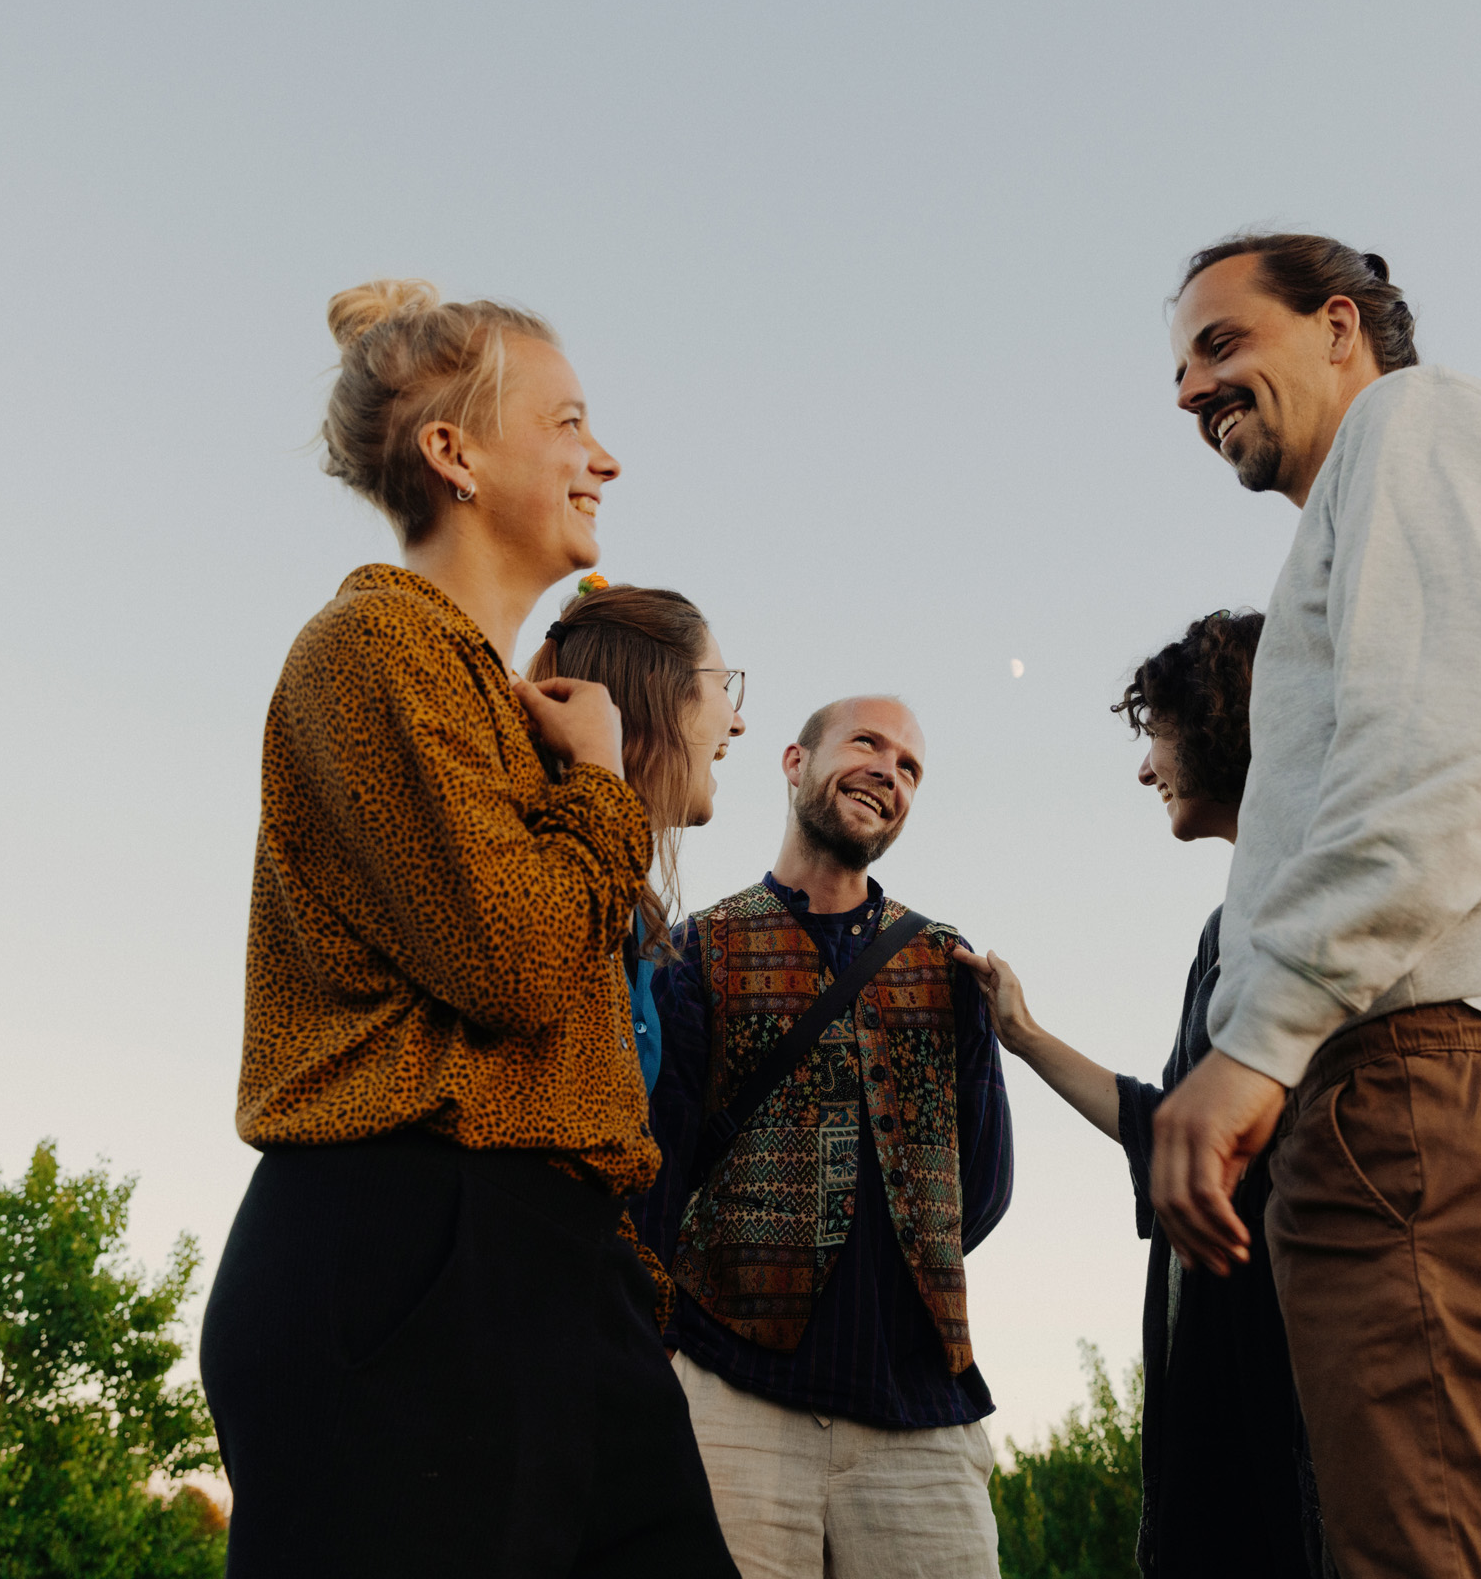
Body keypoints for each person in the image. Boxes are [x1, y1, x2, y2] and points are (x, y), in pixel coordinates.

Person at [1150, 233, 1481, 1578]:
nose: (1185, 391)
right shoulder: (1435, 535)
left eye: (1219, 345)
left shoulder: (1413, 423)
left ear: (1339, 325)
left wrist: (1262, 1038)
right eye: (1176, 368)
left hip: (1418, 1109)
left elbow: (1431, 766)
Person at [200, 279, 739, 1578]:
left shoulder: (491, 701)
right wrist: (605, 787)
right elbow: (512, 959)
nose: (601, 456)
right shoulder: (373, 645)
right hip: (415, 1254)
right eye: (565, 420)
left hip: (551, 1269)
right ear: (452, 452)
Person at [956, 609, 1325, 1579]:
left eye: (1155, 733)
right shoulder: (1222, 928)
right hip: (1207, 1352)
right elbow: (1172, 1126)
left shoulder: (1328, 897)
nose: (1143, 766)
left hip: (1295, 1348)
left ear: (1220, 722)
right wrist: (1023, 1035)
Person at [632, 696, 1015, 1579]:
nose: (890, 769)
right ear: (794, 762)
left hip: (921, 1418)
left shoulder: (948, 964)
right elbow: (655, 1179)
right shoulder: (696, 951)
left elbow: (981, 1184)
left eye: (911, 767)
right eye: (868, 744)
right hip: (731, 1399)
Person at [528, 583, 749, 1093]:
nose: (737, 723)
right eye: (724, 686)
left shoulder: (643, 919)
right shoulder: (537, 860)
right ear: (659, 693)